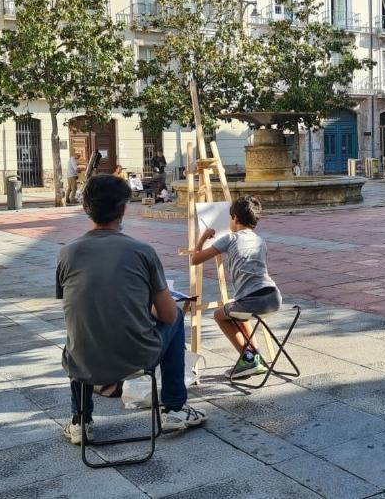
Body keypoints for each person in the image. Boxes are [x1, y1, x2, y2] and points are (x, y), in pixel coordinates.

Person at [57, 175, 206, 445]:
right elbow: (168, 315)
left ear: (86, 208)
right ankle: (174, 409)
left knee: (78, 333)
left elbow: (78, 303)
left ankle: (81, 420)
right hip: (137, 358)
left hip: (83, 363)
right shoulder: (142, 251)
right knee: (176, 318)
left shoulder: (67, 253)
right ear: (124, 209)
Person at [191, 196, 281, 378]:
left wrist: (203, 237)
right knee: (240, 313)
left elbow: (195, 259)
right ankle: (255, 357)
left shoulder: (230, 238)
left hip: (253, 301)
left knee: (219, 315)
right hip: (274, 297)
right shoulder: (260, 241)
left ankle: (248, 358)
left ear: (235, 219)